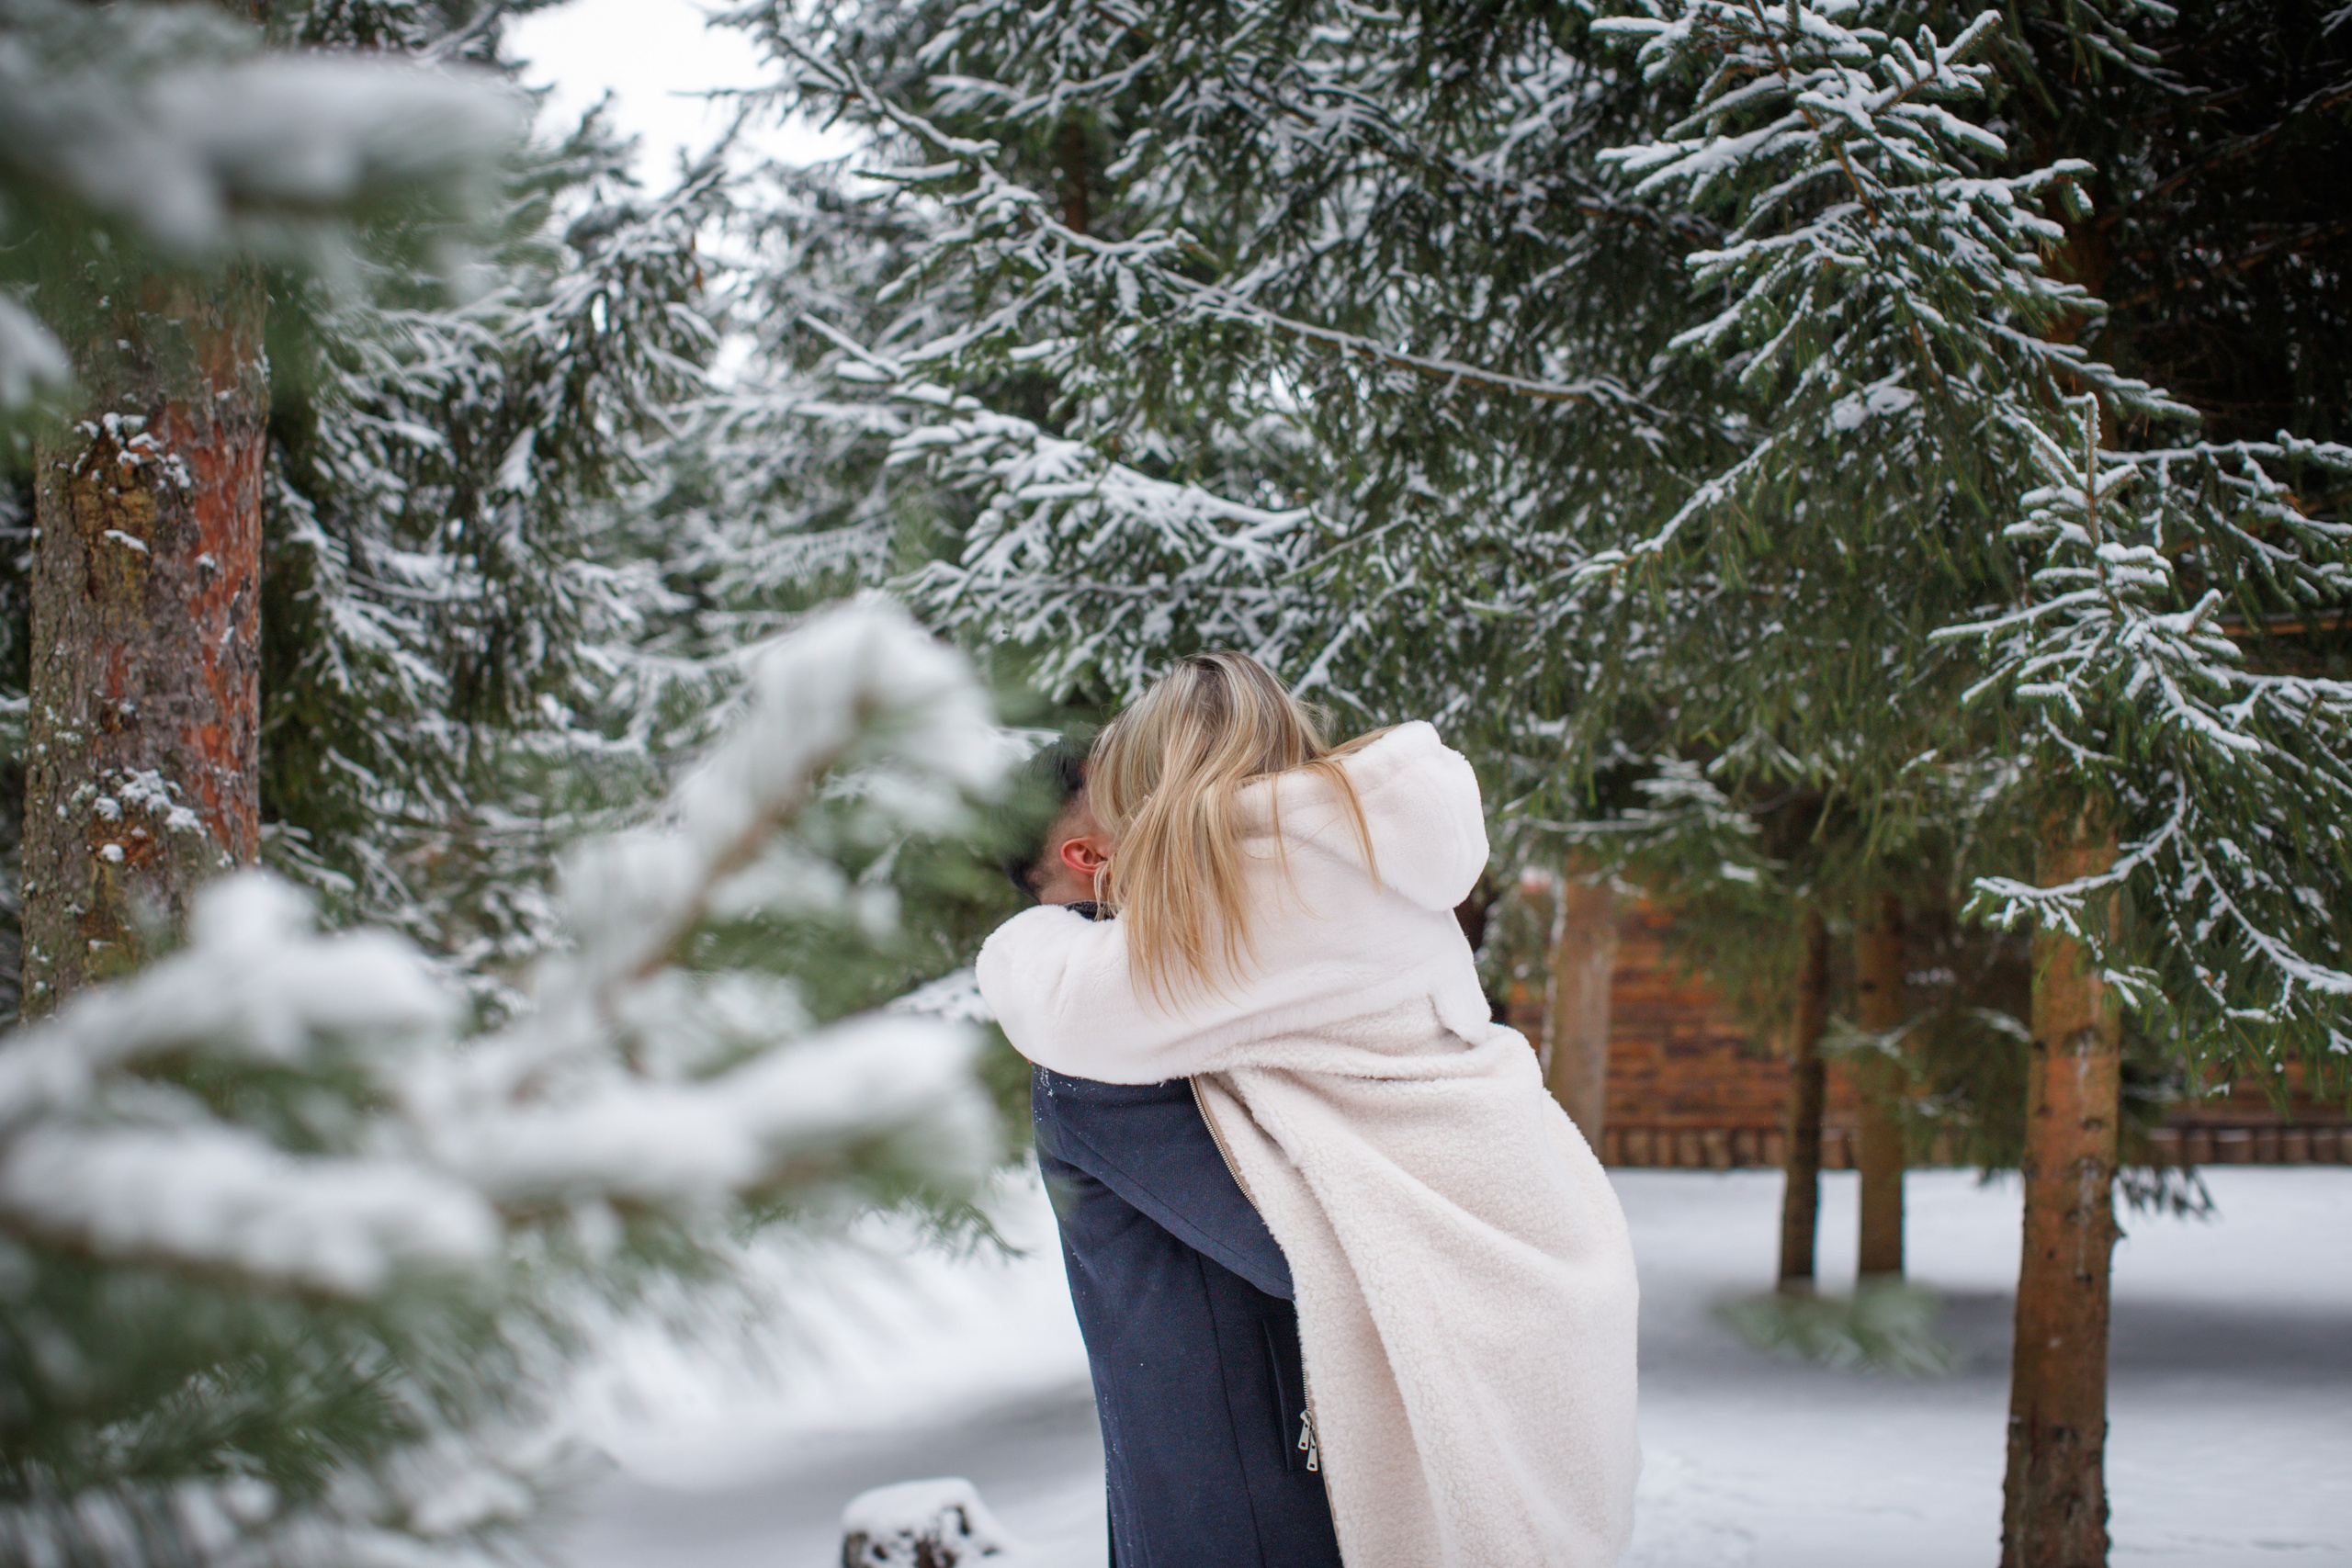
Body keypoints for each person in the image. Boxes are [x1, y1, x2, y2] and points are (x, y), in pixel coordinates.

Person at [979, 656, 1641, 1568]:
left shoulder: (1241, 891)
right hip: (1533, 1218)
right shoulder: (1366, 836)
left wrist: (1032, 933)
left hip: (1405, 1298)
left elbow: (1065, 1012)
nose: (1105, 911)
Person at [1008, 750, 1345, 1568]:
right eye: (1133, 787)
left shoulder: (1164, 992)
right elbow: (1300, 1244)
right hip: (1241, 1503)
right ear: (1091, 855)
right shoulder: (1093, 1042)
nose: (1177, 793)